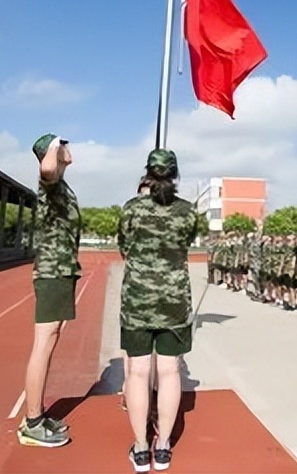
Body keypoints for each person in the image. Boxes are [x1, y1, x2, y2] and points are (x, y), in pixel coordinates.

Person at [118, 148, 199, 473]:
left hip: (137, 299)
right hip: (174, 300)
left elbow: (124, 247)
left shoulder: (131, 209)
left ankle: (141, 449)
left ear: (148, 174)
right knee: (169, 372)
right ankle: (163, 447)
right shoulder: (187, 212)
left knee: (138, 373)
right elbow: (185, 244)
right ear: (175, 174)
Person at [17, 134, 79, 448]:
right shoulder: (51, 183)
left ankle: (37, 413)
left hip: (62, 271)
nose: (69, 147)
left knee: (50, 339)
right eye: (62, 143)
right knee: (44, 341)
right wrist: (51, 148)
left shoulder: (63, 188)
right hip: (53, 272)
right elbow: (46, 171)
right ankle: (31, 422)